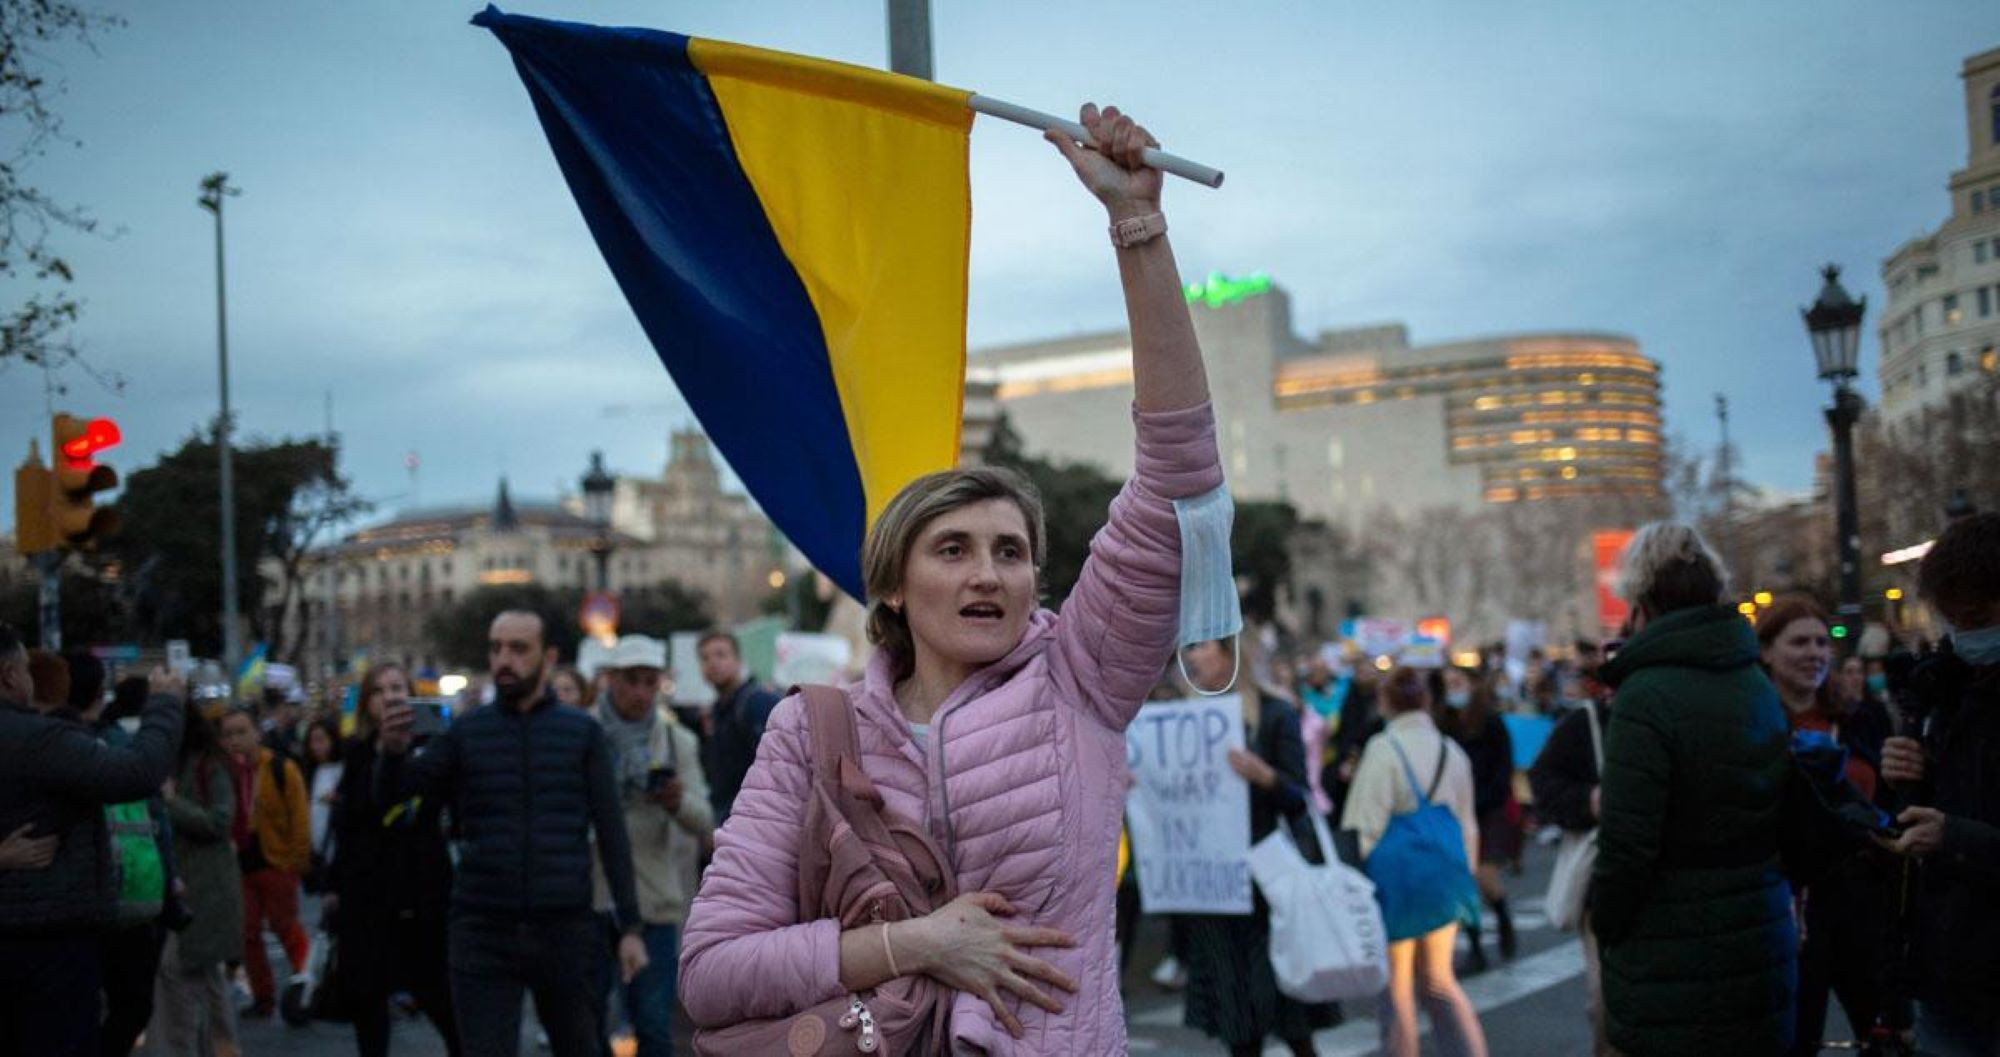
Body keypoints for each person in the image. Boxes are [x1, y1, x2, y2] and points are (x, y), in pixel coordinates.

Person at [680, 103, 1222, 1054]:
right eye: (954, 549)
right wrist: (915, 943)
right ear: (892, 586)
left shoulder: (1081, 679)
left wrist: (1137, 227)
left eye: (1011, 551)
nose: (990, 574)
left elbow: (1180, 479)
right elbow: (714, 971)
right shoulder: (809, 731)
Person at [372, 609, 646, 1057]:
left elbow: (612, 831)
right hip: (482, 929)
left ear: (548, 657)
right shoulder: (466, 732)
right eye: (496, 648)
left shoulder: (581, 733)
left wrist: (630, 926)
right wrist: (391, 754)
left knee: (581, 1046)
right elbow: (399, 798)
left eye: (519, 649)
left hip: (564, 928)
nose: (504, 659)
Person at [1591, 523, 1796, 1056]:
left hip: (1672, 946)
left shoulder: (1646, 695)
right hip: (1761, 929)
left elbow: (1627, 844)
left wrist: (1607, 921)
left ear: (1642, 603)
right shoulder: (1752, 679)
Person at [0, 626, 186, 1057]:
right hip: (47, 942)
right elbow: (136, 772)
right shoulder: (35, 739)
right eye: (26, 670)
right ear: (9, 676)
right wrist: (164, 705)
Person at [1176, 638, 1337, 1057]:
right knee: (1237, 1024)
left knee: (1290, 1017)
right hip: (1213, 889)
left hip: (1266, 887)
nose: (1192, 657)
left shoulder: (1274, 713)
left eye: (1201, 648)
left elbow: (1300, 797)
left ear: (1230, 655)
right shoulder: (1186, 718)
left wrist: (1265, 776)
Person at [1877, 511, 2000, 1055]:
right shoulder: (1948, 688)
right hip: (1950, 974)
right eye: (1951, 620)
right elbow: (1917, 820)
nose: (1963, 634)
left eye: (1974, 617)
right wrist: (1907, 776)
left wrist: (1953, 836)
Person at [1342, 666, 1486, 1057]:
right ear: (1427, 701)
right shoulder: (1452, 752)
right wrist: (1465, 874)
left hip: (1398, 884)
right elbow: (1468, 823)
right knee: (1441, 981)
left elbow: (1363, 826)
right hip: (1446, 881)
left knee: (1398, 989)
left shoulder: (1383, 749)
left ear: (1386, 702)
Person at [591, 635, 712, 1057]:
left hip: (653, 902)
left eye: (649, 681)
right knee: (587, 1026)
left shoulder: (677, 742)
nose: (641, 692)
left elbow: (704, 820)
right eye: (631, 680)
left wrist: (676, 800)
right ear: (611, 681)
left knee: (654, 1027)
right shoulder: (583, 733)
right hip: (592, 898)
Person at [329, 662, 459, 1057]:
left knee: (448, 1009)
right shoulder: (357, 754)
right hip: (369, 901)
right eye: (381, 691)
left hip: (424, 898)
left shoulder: (435, 748)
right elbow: (350, 825)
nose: (391, 697)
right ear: (368, 704)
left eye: (398, 688)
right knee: (369, 1014)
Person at [1528, 662, 1615, 1057]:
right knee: (1606, 1004)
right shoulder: (1587, 724)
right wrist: (1587, 802)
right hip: (1607, 886)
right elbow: (1544, 782)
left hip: (1676, 884)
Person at [150, 697, 246, 1057]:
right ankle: (223, 1050)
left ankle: (196, 1049)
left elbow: (220, 821)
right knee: (208, 979)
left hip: (207, 888)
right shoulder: (184, 762)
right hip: (193, 886)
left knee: (181, 971)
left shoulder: (210, 764)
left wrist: (173, 803)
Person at [217, 705, 313, 1019]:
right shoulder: (224, 773)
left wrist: (295, 863)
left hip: (276, 863)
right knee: (248, 933)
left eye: (241, 732)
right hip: (240, 866)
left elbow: (300, 819)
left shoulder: (280, 769)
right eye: (228, 734)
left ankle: (307, 986)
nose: (235, 740)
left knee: (286, 927)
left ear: (257, 732)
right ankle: (263, 996)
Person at [1434, 666, 1518, 971]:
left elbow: (1502, 769)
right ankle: (1475, 947)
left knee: (1484, 876)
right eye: (1448, 684)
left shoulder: (1492, 722)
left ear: (1471, 685)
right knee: (1462, 880)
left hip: (1489, 808)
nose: (1453, 689)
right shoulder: (1443, 723)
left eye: (1457, 682)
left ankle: (1502, 913)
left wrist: (1485, 798)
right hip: (1456, 809)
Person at [695, 630, 780, 825]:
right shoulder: (716, 711)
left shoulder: (756, 702)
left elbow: (773, 768)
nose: (712, 663)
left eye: (720, 655)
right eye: (705, 658)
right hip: (727, 819)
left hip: (755, 822)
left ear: (738, 661)